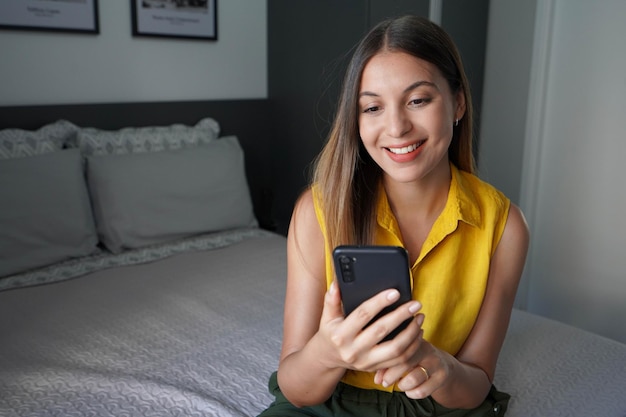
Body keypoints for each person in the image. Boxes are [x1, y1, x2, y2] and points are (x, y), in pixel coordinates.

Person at [258, 14, 529, 417]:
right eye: (372, 107)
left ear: (457, 102)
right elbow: (297, 389)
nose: (397, 127)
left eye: (418, 100)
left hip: (436, 405)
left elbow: (476, 382)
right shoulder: (317, 212)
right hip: (330, 403)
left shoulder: (504, 226)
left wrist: (442, 368)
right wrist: (327, 353)